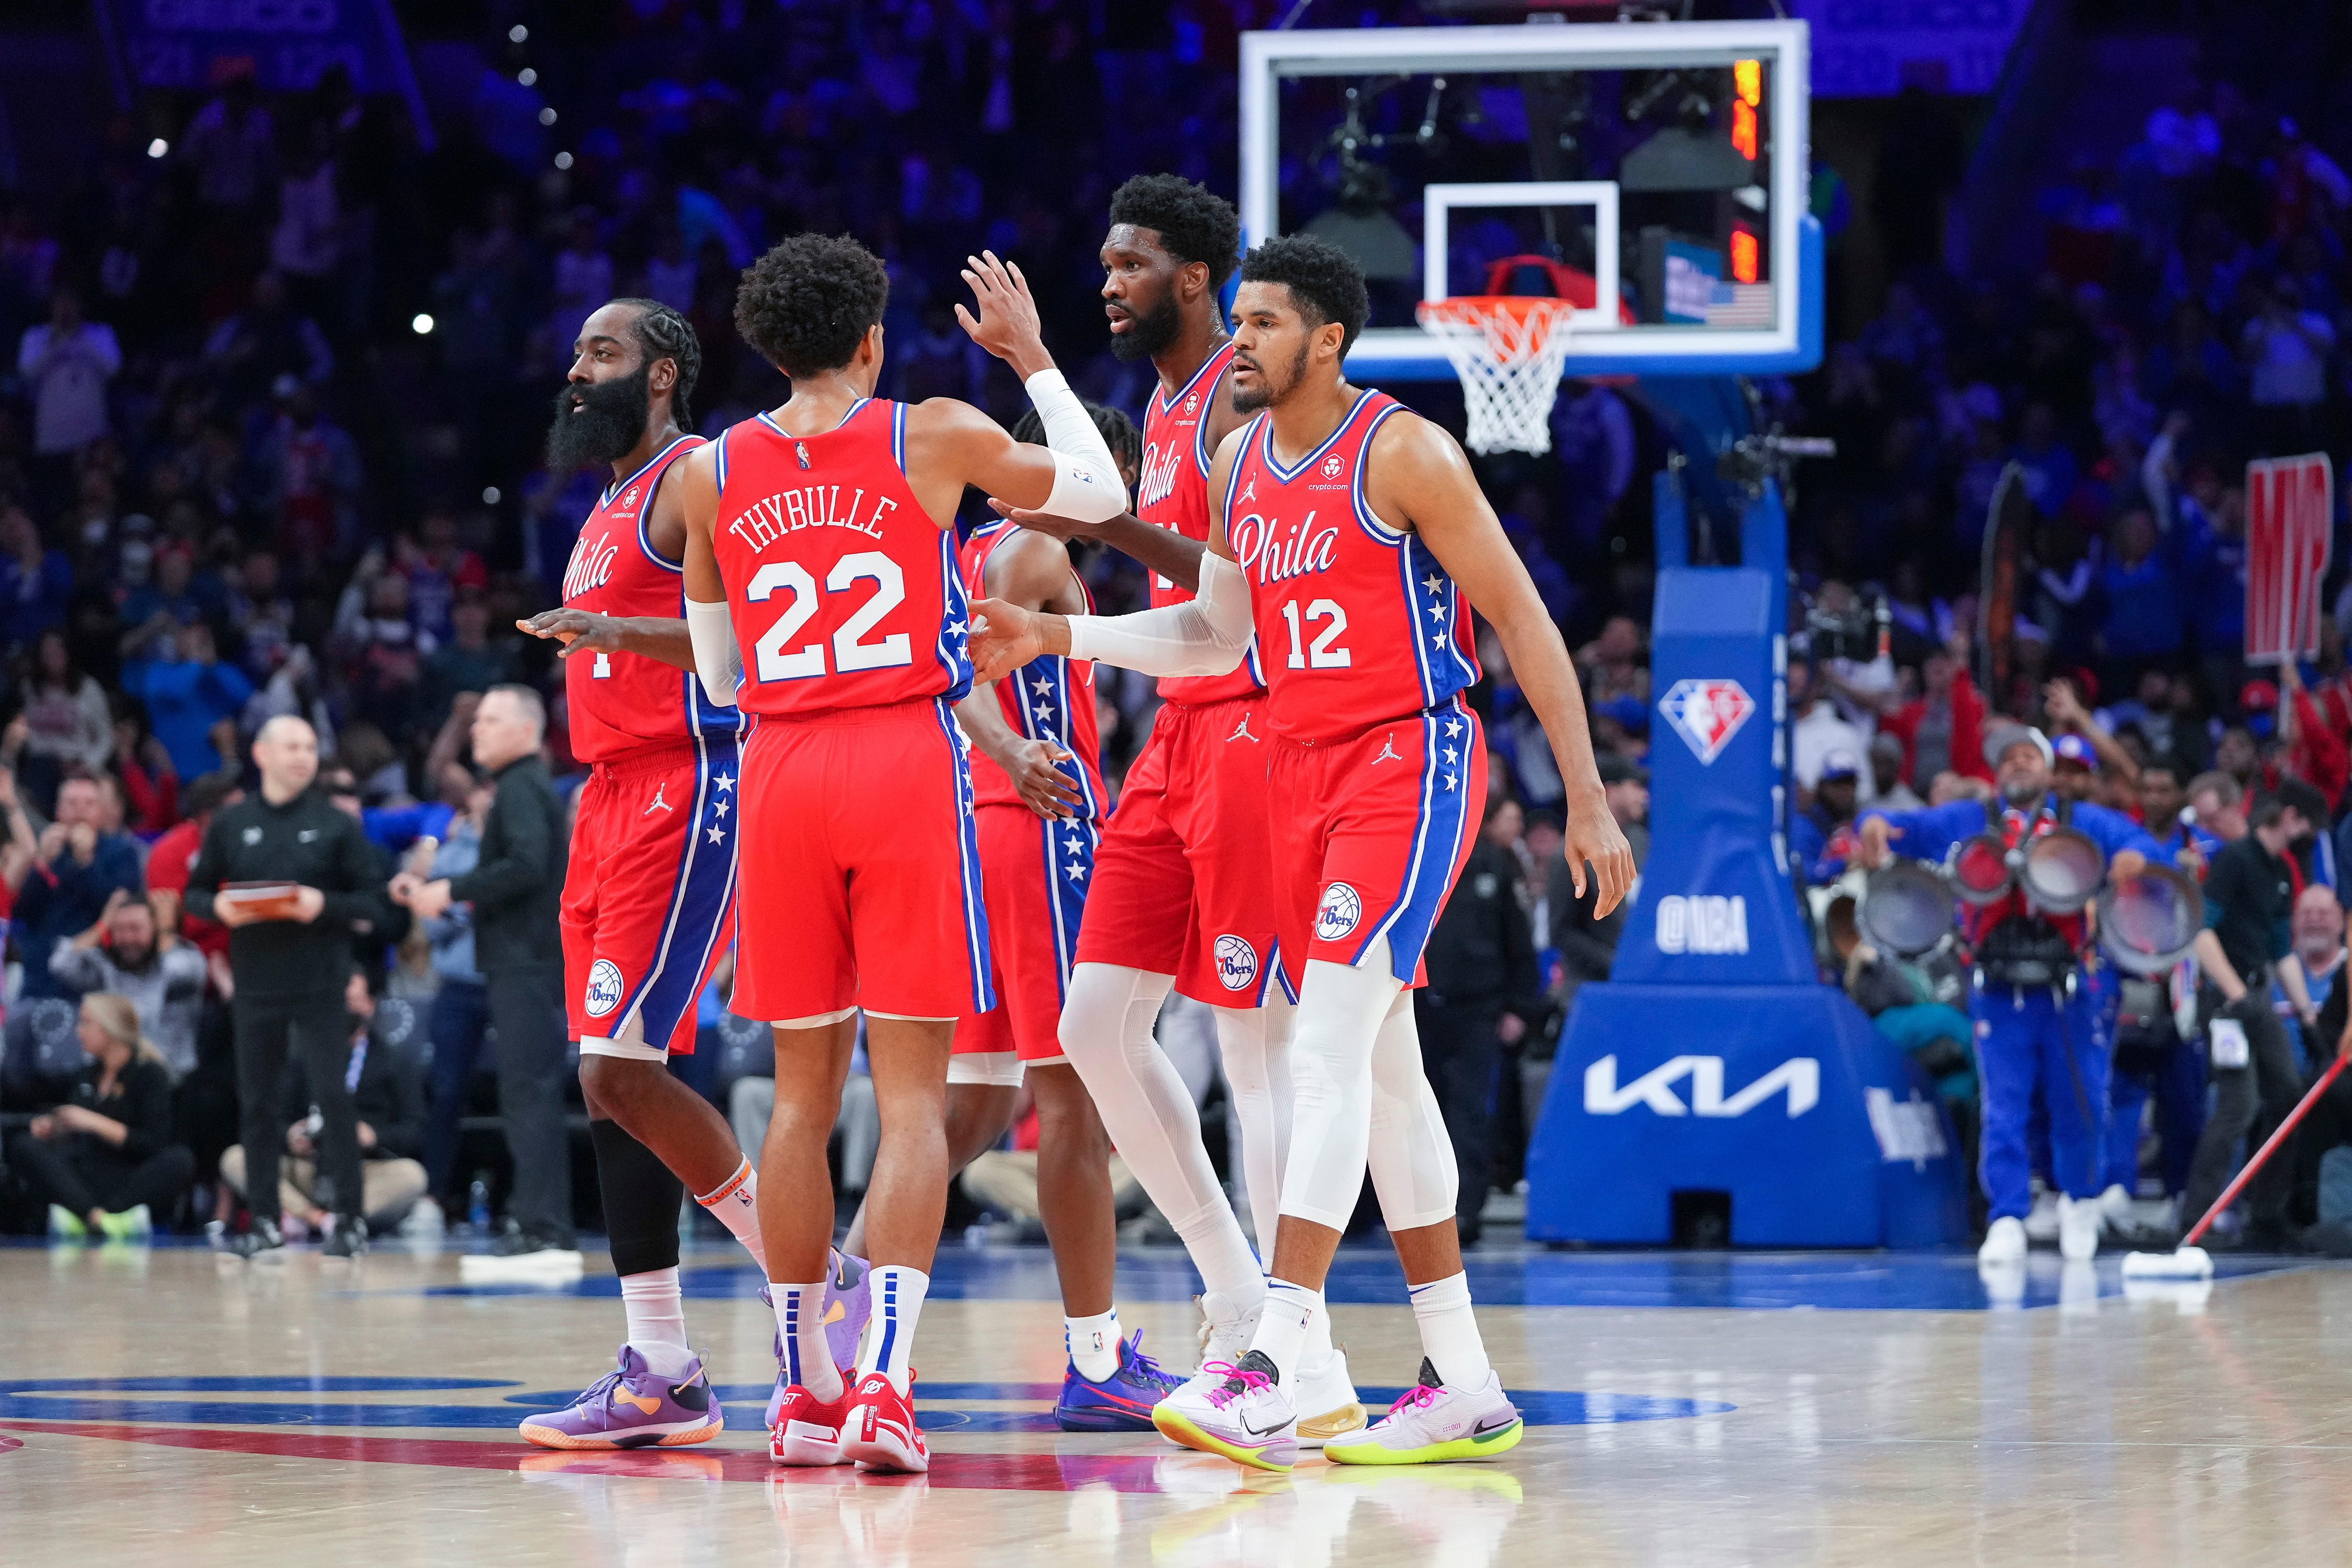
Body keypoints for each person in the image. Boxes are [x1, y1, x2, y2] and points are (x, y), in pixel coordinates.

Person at [971, 234, 1633, 1470]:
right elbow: (1212, 636)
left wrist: (1586, 796)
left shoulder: (1404, 451)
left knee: (1322, 1045)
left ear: (1325, 339)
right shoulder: (1233, 461)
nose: (1244, 342)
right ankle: (1462, 1376)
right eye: (1242, 320)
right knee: (1381, 1074)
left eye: (1266, 323)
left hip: (1407, 763)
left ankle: (1275, 1349)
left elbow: (1524, 620)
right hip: (1294, 768)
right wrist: (1059, 638)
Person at [679, 235, 1129, 1473]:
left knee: (801, 1099)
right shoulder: (927, 431)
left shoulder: (712, 472)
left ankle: (800, 1391)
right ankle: (884, 1383)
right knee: (916, 1099)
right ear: (872, 339)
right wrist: (1032, 357)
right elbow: (1096, 495)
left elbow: (718, 676)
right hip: (900, 761)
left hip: (779, 769)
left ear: (764, 348)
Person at [992, 175, 1365, 1444]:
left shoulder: (1237, 405)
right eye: (1101, 262)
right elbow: (1179, 612)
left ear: (1194, 279)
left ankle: (1286, 1350)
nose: (1107, 281)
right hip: (1176, 738)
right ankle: (1229, 1295)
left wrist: (1068, 619)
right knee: (1093, 1020)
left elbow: (1218, 617)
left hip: (1258, 731)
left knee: (1255, 1046)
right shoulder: (1164, 405)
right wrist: (1069, 630)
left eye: (1130, 263)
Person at [504, 297, 863, 1451]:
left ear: (662, 373)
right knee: (612, 1080)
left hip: (687, 783)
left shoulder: (700, 476)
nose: (578, 368)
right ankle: (661, 1367)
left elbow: (758, 634)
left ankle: (818, 1275)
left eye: (601, 352)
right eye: (575, 350)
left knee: (619, 1074)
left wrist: (615, 638)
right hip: (605, 798)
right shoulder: (609, 500)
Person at [932, 403, 1178, 1432]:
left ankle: (827, 1296)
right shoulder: (1030, 547)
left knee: (978, 1109)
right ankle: (1093, 1355)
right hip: (1043, 835)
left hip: (986, 841)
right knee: (1076, 1100)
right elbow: (957, 679)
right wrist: (1012, 753)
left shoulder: (984, 544)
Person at [1857, 724, 2166, 1264]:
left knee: (2083, 1100)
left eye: (2028, 757)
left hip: (2070, 987)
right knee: (2004, 1106)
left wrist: (2134, 859)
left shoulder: (2081, 821)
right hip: (2000, 987)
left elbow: (2143, 845)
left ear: (2048, 771)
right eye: (2008, 759)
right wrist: (1874, 823)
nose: (2018, 765)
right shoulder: (1971, 820)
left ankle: (2079, 1201)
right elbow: (1898, 826)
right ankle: (2007, 1214)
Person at [183, 715, 390, 1260]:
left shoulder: (336, 824)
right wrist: (220, 907)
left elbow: (375, 904)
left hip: (321, 983)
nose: (303, 756)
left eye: (309, 747)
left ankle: (349, 1218)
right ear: (262, 754)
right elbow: (194, 895)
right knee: (257, 1105)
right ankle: (265, 1221)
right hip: (255, 985)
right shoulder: (232, 823)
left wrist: (324, 905)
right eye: (292, 747)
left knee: (332, 1097)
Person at [391, 687, 573, 1263]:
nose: (478, 731)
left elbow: (525, 865)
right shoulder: (522, 786)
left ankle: (543, 1226)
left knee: (530, 1092)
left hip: (527, 959)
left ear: (526, 729)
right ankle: (537, 1220)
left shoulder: (521, 786)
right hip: (522, 958)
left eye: (492, 721)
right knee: (527, 1091)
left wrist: (452, 889)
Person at [2180, 781, 2328, 1248]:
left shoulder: (2280, 871)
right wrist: (2236, 992)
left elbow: (2284, 951)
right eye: (2307, 825)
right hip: (2228, 1000)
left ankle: (2267, 1212)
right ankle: (2196, 1217)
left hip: (2258, 996)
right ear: (2288, 816)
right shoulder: (2234, 860)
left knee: (2290, 1096)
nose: (2310, 836)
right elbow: (2202, 933)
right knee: (2238, 1106)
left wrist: (2307, 1016)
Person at [1416, 794, 1540, 1247]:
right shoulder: (1417, 853)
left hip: (1478, 1009)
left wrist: (1519, 1007)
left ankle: (1464, 1213)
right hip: (1419, 1006)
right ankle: (1414, 1215)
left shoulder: (1494, 863)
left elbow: (1519, 941)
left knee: (1469, 1112)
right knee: (1413, 1112)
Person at [220, 969, 429, 1236]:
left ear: (370, 1005)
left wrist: (372, 1136)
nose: (346, 1009)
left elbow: (416, 1130)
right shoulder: (299, 1056)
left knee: (412, 1176)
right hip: (308, 1167)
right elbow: (273, 1120)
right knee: (237, 1158)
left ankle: (332, 1216)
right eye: (340, 1001)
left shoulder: (396, 1060)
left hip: (365, 1168)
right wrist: (292, 1136)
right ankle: (316, 1219)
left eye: (354, 1000)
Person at [5, 992, 193, 1240]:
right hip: (87, 1171)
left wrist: (93, 1121)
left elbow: (151, 1144)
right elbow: (75, 1136)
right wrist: (55, 1129)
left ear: (110, 1028)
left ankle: (89, 1216)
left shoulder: (149, 1073)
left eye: (86, 1023)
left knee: (180, 1159)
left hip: (128, 1175)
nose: (78, 1032)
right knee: (23, 1145)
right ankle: (97, 1217)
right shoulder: (87, 1074)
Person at [49, 888, 207, 1078]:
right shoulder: (109, 967)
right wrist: (102, 924)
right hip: (111, 1078)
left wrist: (166, 931)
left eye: (135, 928)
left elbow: (175, 971)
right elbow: (61, 964)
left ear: (156, 927)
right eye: (120, 930)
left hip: (170, 1078)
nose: (127, 939)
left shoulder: (185, 958)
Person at [14, 772, 143, 1000]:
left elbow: (118, 909)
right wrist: (42, 865)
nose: (80, 810)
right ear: (58, 810)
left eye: (89, 804)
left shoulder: (122, 851)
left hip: (96, 975)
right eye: (72, 803)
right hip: (40, 974)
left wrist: (86, 864)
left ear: (102, 813)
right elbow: (21, 911)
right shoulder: (47, 848)